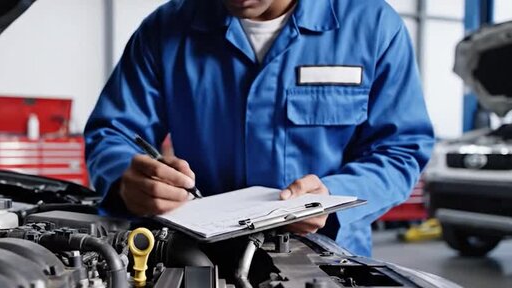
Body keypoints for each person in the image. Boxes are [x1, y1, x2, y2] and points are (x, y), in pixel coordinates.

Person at [84, 0, 435, 256]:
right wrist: (125, 179)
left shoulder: (372, 26)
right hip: (195, 257)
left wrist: (333, 195)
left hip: (327, 257)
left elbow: (400, 148)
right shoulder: (164, 30)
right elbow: (112, 132)